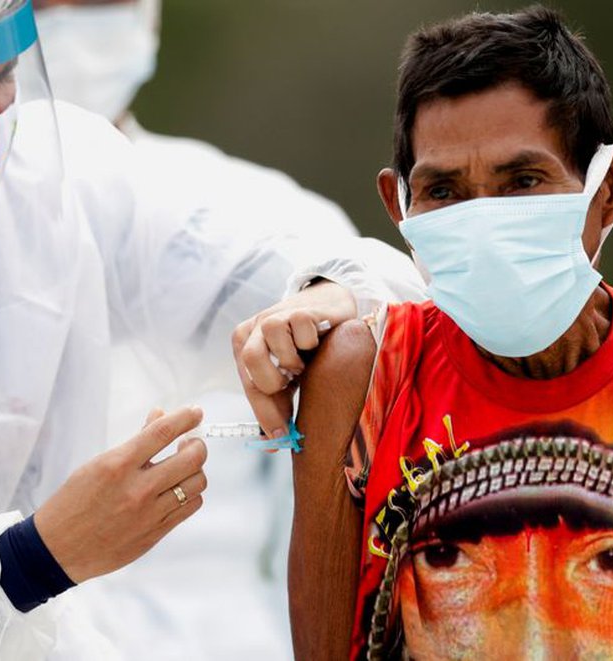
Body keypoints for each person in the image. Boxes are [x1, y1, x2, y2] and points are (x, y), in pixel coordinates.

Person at [0, 0, 422, 657]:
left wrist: (322, 297)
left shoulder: (69, 184)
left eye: (2, 78)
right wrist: (34, 558)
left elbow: (367, 279)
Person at [276, 6, 613, 660]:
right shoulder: (367, 379)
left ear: (610, 188)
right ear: (399, 207)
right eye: (443, 192)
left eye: (523, 181)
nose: (485, 225)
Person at [31, 1, 387, 658]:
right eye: (42, 2)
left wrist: (343, 293)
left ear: (151, 16)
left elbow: (331, 515)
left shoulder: (262, 211)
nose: (68, 18)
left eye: (97, 2)